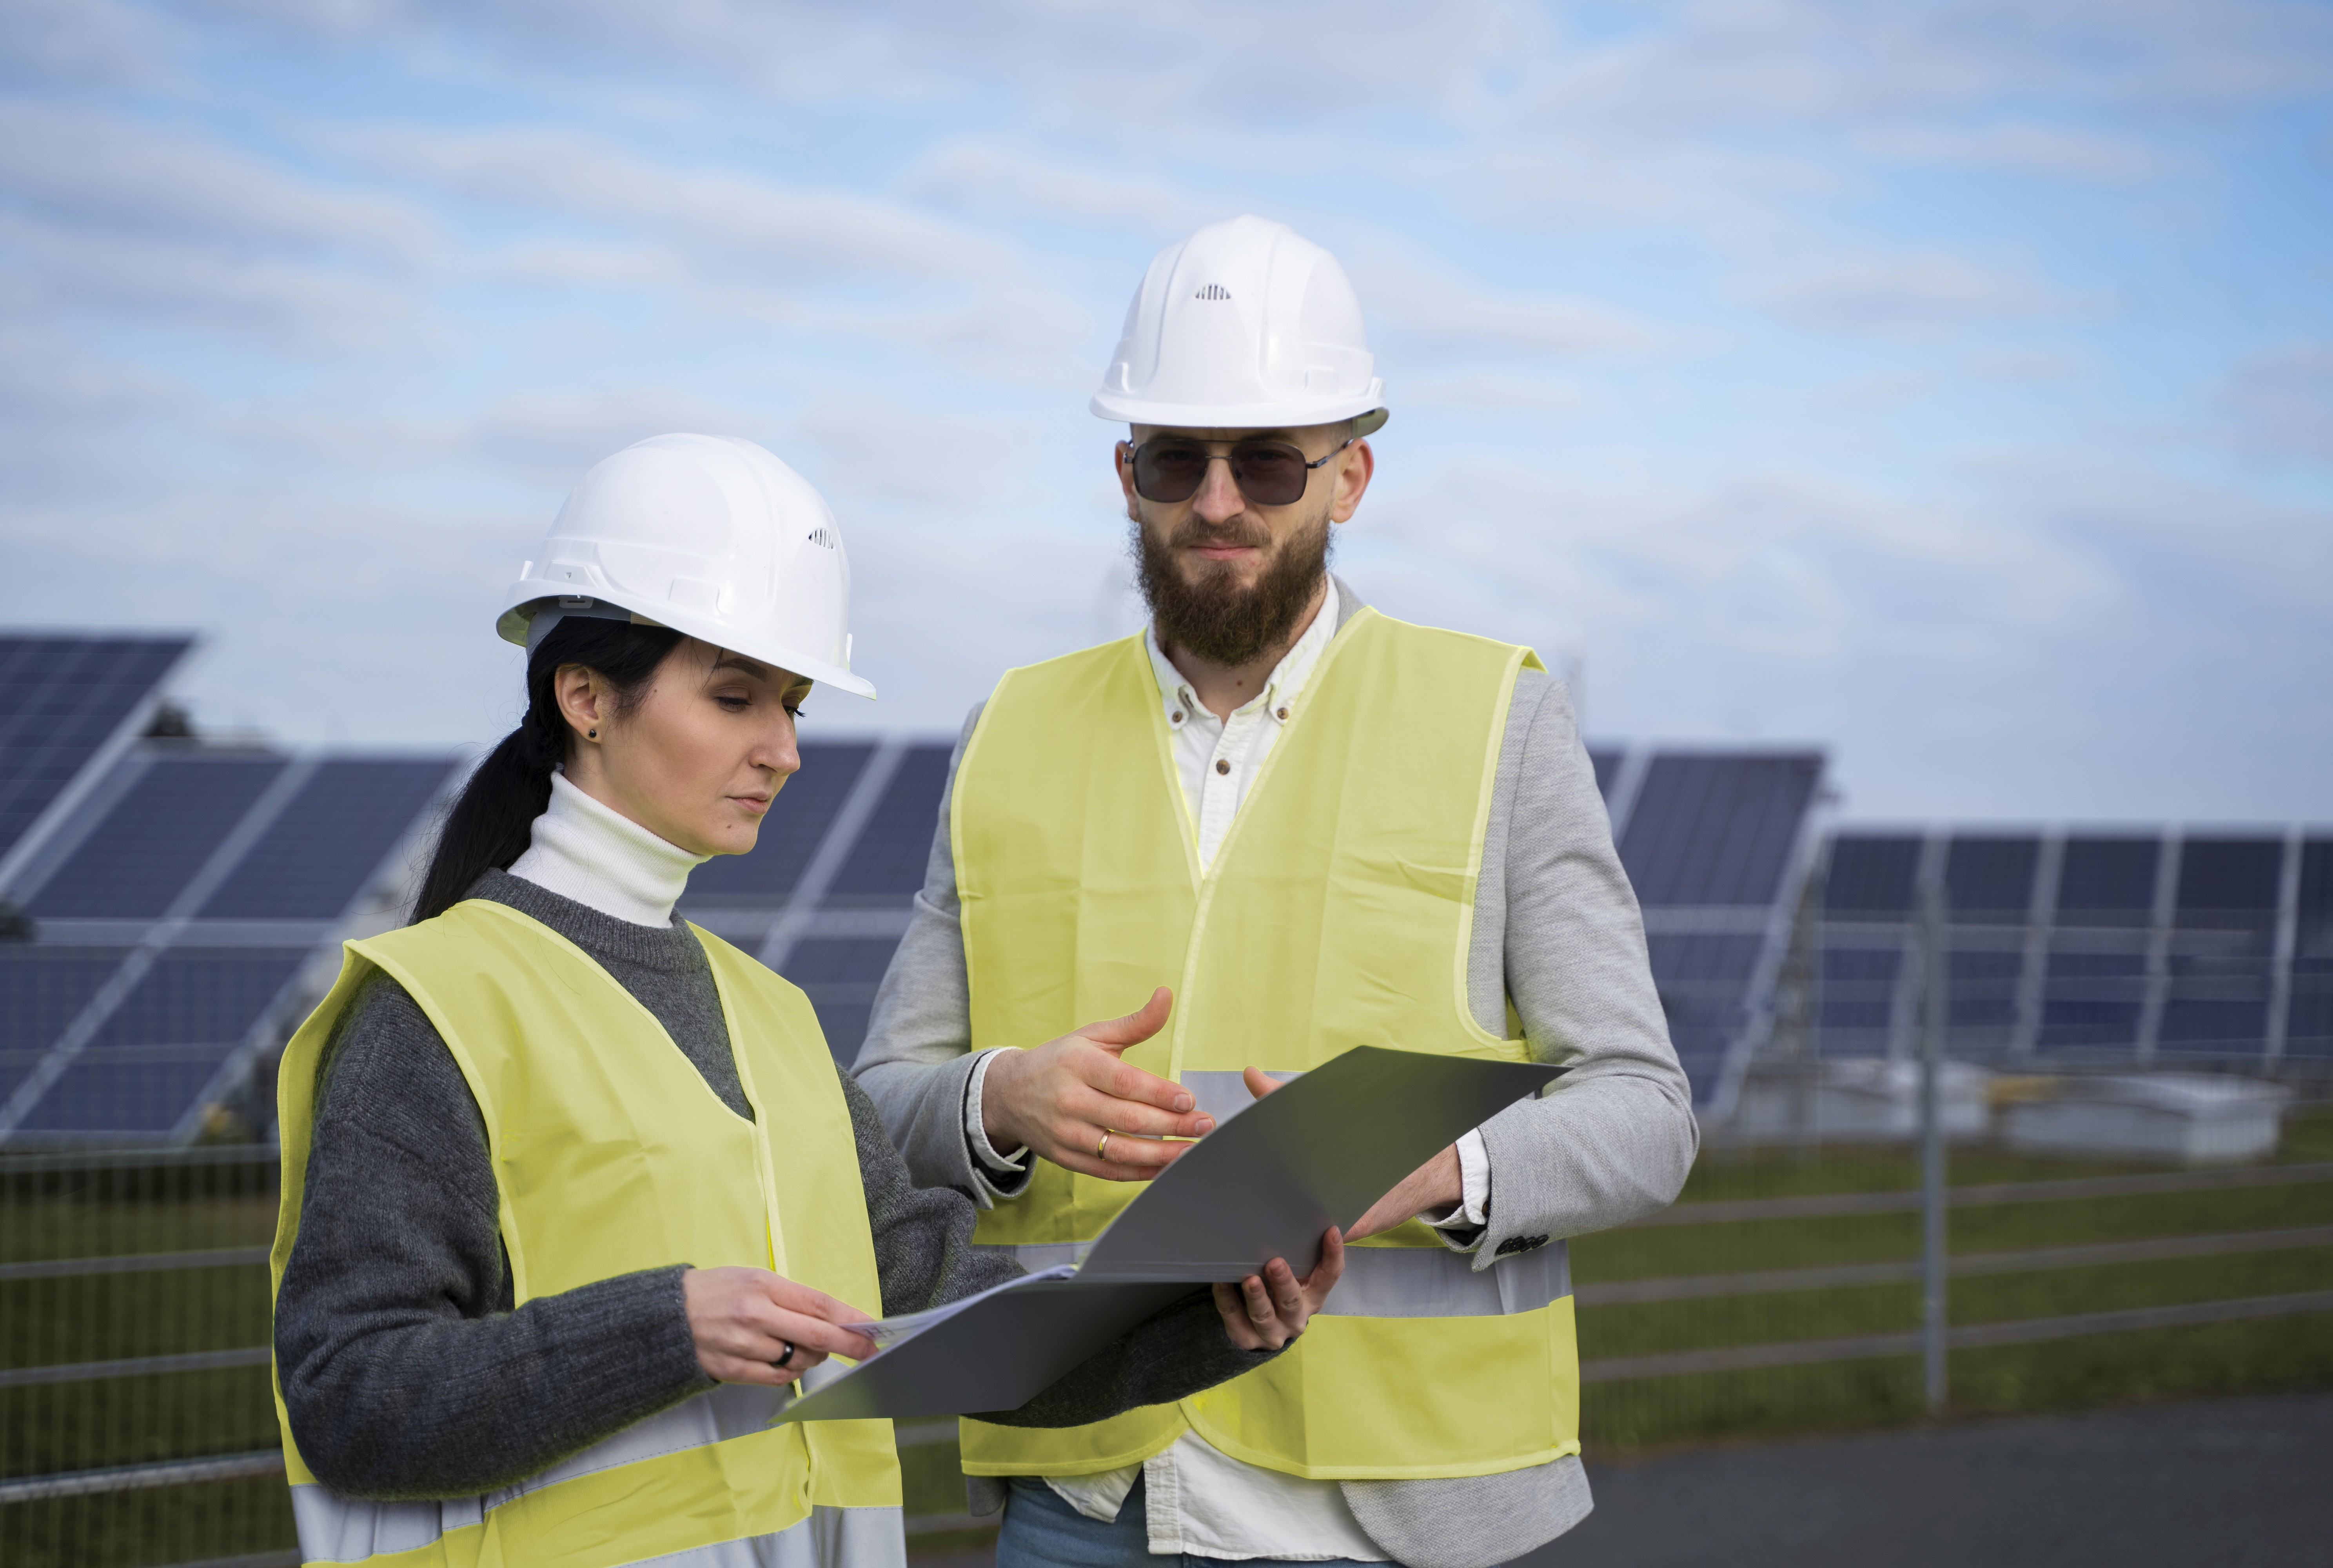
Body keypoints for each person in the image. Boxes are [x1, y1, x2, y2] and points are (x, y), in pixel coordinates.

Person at [267, 432, 1345, 1568]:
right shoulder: (438, 1009)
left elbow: (946, 1310)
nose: (782, 751)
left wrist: (1216, 1320)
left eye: (791, 705)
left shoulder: (770, 1019)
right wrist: (666, 1328)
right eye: (735, 699)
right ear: (584, 697)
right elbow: (349, 1396)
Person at [851, 217, 1698, 1568]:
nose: (1218, 501)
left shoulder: (1499, 720)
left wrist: (1441, 1171)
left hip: (1402, 1505)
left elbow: (1647, 1114)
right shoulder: (1008, 732)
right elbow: (881, 1106)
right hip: (1084, 1494)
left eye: (1266, 461)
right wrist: (1000, 1097)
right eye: (1176, 460)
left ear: (1348, 476)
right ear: (1126, 477)